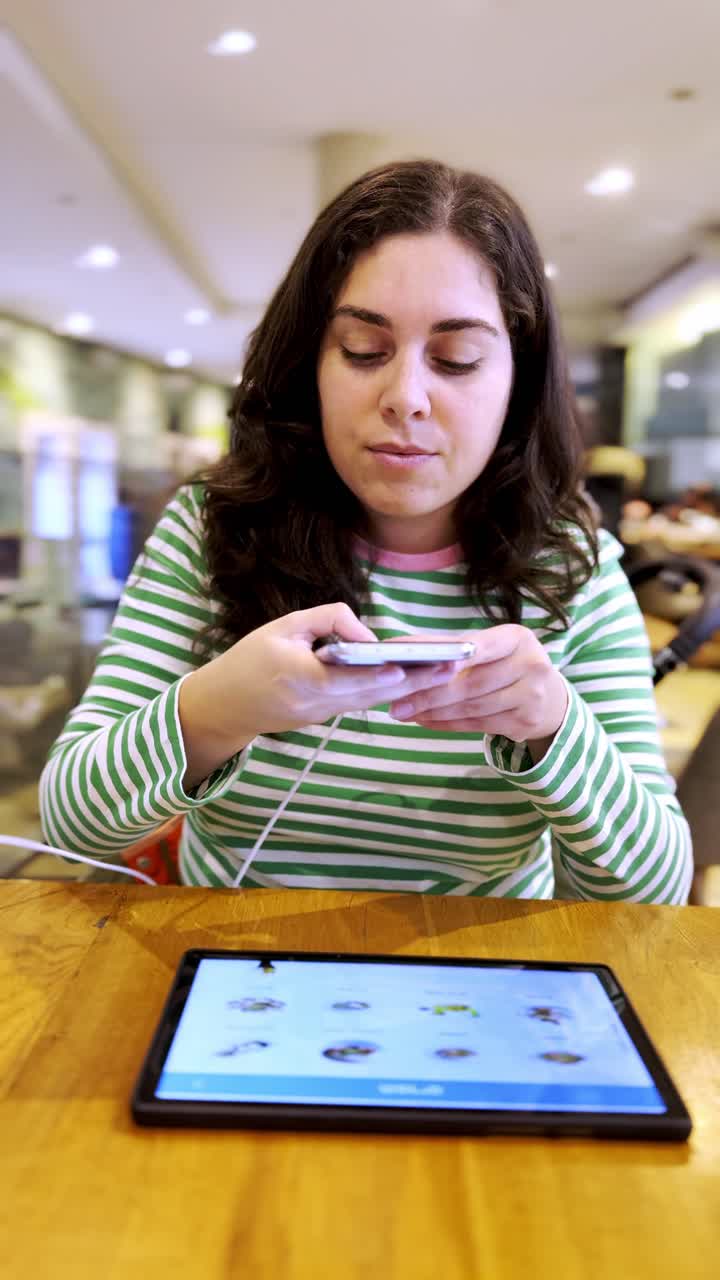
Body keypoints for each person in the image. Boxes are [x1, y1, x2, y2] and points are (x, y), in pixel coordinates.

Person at [39, 160, 692, 902]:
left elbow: (655, 894)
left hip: (483, 974)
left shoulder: (573, 567)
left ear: (517, 380)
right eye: (363, 351)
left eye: (457, 359)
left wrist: (553, 728)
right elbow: (72, 827)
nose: (406, 398)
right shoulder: (213, 531)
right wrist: (221, 708)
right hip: (234, 961)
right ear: (309, 364)